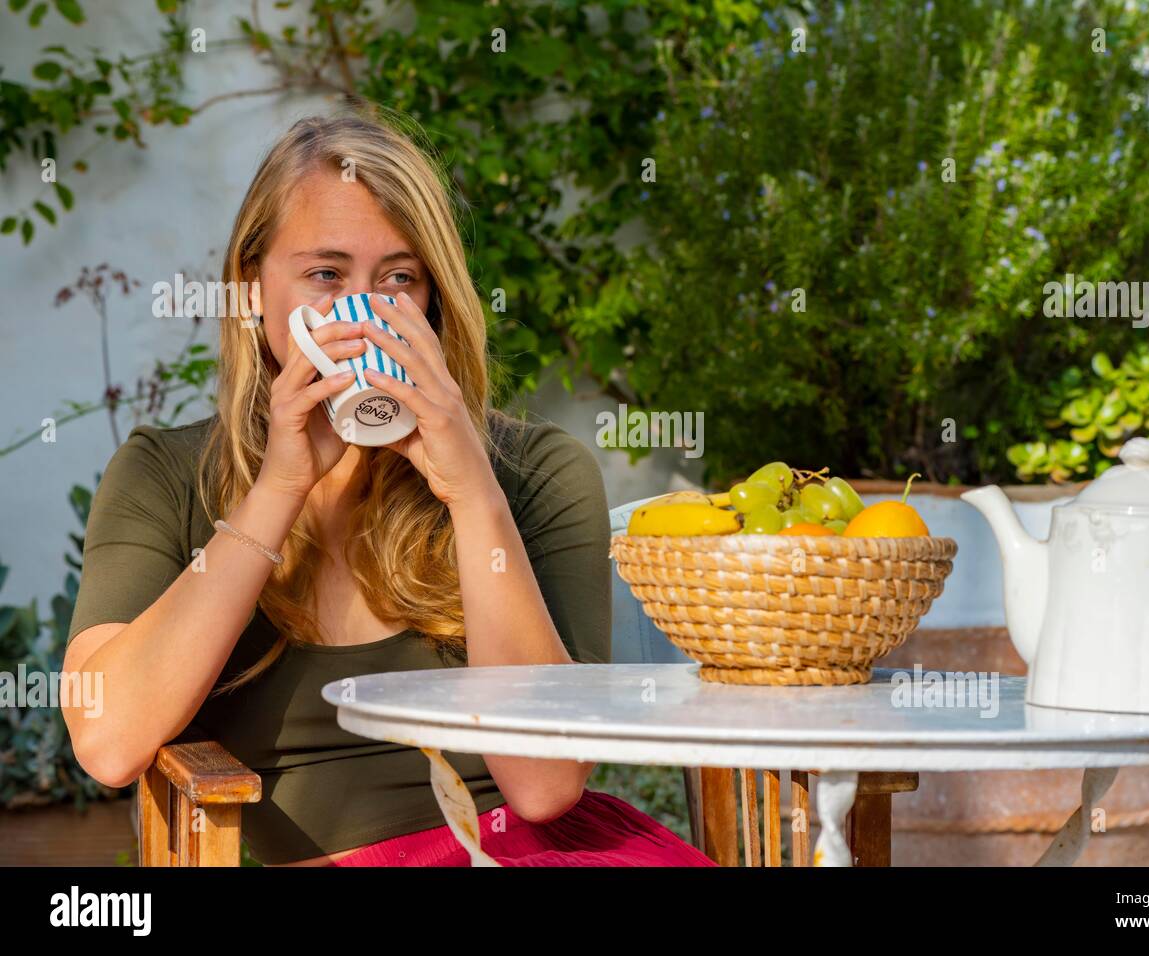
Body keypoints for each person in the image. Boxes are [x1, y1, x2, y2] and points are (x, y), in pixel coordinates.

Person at [62, 110, 714, 867]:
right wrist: (276, 491)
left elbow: (542, 787)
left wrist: (472, 494)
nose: (363, 316)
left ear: (434, 301)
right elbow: (108, 743)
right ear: (251, 289)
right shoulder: (166, 475)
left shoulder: (532, 473)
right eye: (326, 275)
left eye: (398, 279)